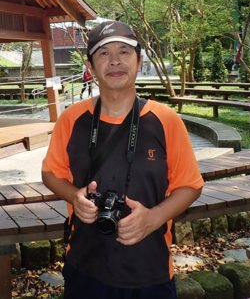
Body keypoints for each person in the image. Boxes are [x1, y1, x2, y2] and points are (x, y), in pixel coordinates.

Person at [41, 21, 203, 298]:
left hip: (150, 269)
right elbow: (50, 173)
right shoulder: (72, 119)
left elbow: (190, 185)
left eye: (124, 52)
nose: (114, 61)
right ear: (91, 67)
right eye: (103, 53)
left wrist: (153, 218)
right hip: (85, 266)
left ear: (139, 62)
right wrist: (75, 196)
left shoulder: (165, 120)